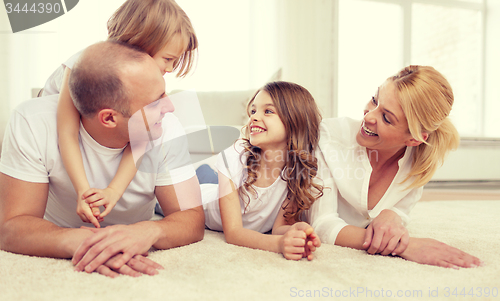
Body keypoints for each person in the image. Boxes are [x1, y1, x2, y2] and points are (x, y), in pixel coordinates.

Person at [0, 41, 205, 278]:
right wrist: (76, 240)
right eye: (156, 101)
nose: (169, 107)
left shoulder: (166, 127)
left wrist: (149, 231)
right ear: (108, 118)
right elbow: (11, 227)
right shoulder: (32, 121)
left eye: (164, 93)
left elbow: (192, 219)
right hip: (56, 228)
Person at [41, 0, 198, 228]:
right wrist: (83, 190)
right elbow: (67, 133)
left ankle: (196, 180)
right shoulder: (83, 64)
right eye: (168, 59)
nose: (171, 69)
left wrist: (114, 190)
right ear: (141, 42)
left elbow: (139, 136)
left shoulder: (144, 81)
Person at [308, 65, 482, 268]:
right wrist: (404, 247)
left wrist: (392, 216)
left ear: (414, 139)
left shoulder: (419, 163)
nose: (368, 116)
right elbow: (321, 224)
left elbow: (401, 212)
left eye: (386, 118)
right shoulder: (329, 138)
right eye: (374, 100)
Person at [202, 81, 323, 260]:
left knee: (209, 175)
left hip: (220, 187)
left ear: (295, 121)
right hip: (197, 202)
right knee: (180, 190)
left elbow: (278, 228)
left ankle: (205, 171)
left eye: (268, 111)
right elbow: (234, 233)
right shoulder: (234, 157)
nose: (254, 117)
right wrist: (278, 245)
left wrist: (296, 230)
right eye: (253, 111)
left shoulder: (296, 170)